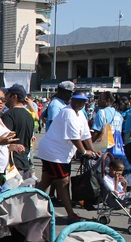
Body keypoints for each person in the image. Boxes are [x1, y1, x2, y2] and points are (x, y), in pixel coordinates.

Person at [35, 89, 100, 223]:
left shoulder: (81, 114)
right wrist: (84, 152)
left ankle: (27, 203)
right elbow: (75, 138)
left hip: (60, 153)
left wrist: (93, 151)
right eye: (77, 100)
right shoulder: (68, 113)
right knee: (63, 182)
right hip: (55, 153)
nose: (80, 103)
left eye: (82, 101)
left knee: (46, 181)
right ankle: (70, 214)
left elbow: (86, 135)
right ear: (71, 100)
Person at [2, 84, 36, 180]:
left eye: (7, 94)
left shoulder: (8, 115)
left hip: (12, 164)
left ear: (14, 96)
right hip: (25, 162)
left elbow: (5, 139)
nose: (5, 97)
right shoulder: (29, 116)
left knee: (10, 194)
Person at [103, 160, 131, 225]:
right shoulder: (106, 179)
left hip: (121, 198)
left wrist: (125, 184)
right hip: (114, 200)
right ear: (111, 168)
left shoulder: (116, 178)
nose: (120, 173)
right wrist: (116, 181)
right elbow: (115, 194)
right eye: (118, 170)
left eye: (121, 171)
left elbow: (123, 193)